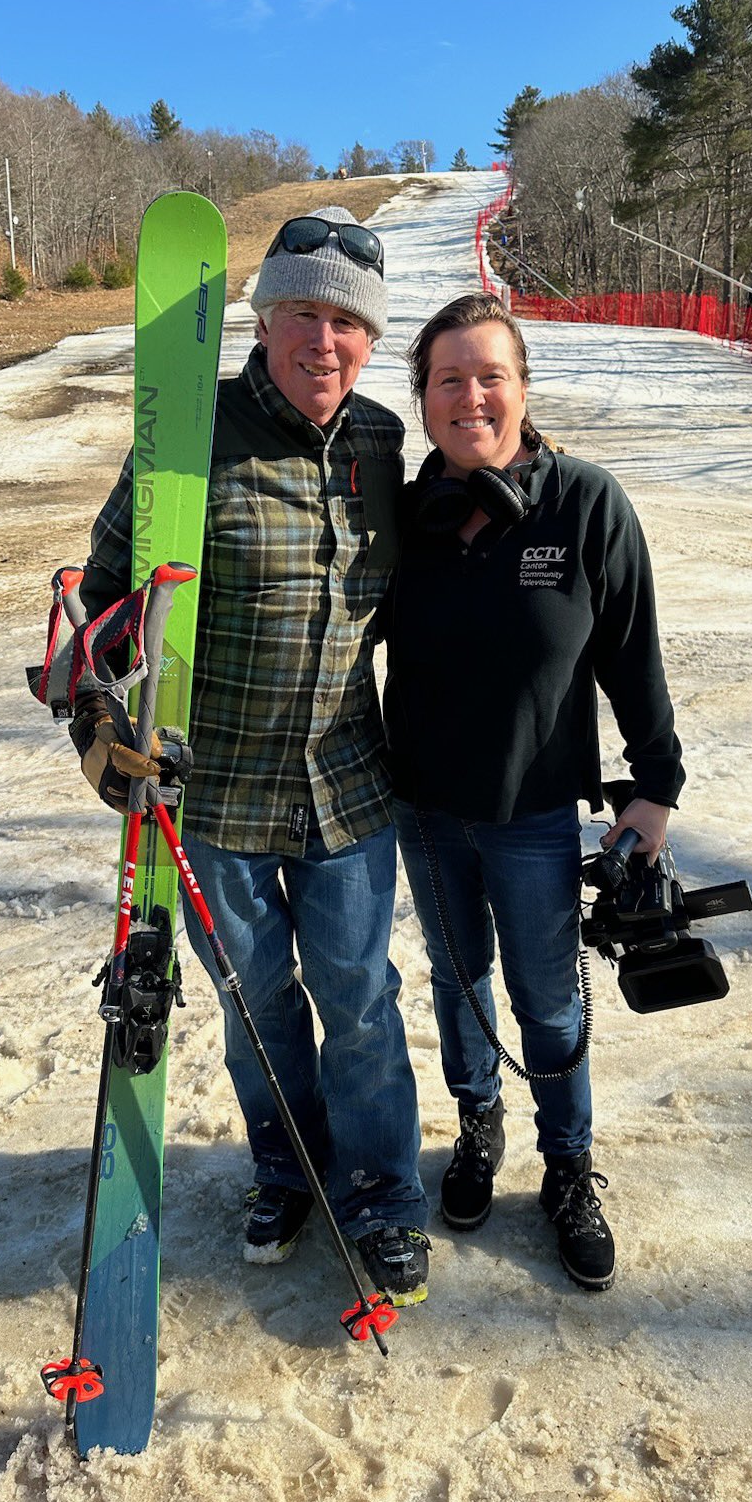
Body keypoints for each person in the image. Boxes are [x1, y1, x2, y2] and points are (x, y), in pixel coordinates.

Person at [75, 208, 431, 1305]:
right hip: (215, 797)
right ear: (264, 317)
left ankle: (380, 1193)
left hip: (348, 788)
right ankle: (286, 1166)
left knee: (361, 998)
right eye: (303, 315)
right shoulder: (190, 439)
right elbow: (97, 604)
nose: (324, 341)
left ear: (371, 341)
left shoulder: (382, 443)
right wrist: (97, 715)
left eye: (348, 323)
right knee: (257, 1004)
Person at [382, 292, 685, 1291]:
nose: (470, 396)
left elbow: (633, 654)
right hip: (425, 810)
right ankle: (478, 1125)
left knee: (548, 999)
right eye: (448, 379)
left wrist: (655, 785)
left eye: (489, 375)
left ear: (521, 387)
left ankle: (567, 1167)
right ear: (423, 400)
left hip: (537, 816)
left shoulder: (585, 504)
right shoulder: (403, 519)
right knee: (458, 982)